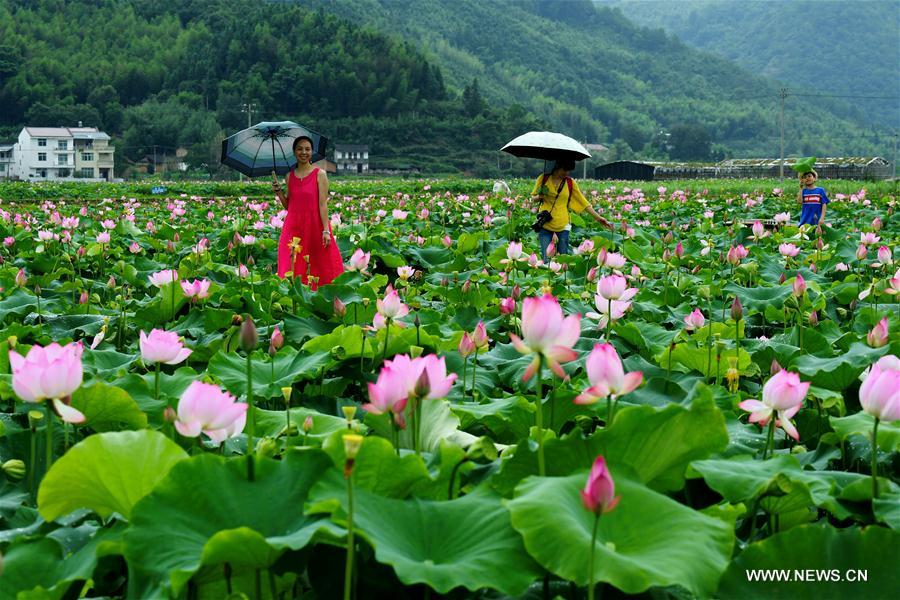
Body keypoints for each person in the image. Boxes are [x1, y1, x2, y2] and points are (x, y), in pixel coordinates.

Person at [272, 136, 344, 289]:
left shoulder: (320, 174)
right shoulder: (289, 176)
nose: (303, 152)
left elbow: (323, 204)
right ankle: (295, 297)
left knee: (320, 263)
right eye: (299, 149)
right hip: (293, 227)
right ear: (294, 152)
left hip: (314, 225)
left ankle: (321, 297)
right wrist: (279, 194)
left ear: (312, 152)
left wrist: (326, 230)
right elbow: (290, 206)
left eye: (307, 149)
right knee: (291, 263)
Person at [530, 158, 611, 261]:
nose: (566, 173)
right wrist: (539, 197)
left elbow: (584, 203)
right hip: (545, 223)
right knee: (546, 259)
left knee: (563, 259)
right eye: (565, 170)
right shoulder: (543, 179)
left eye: (569, 170)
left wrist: (599, 218)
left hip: (563, 225)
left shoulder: (570, 183)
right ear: (558, 167)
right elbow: (533, 199)